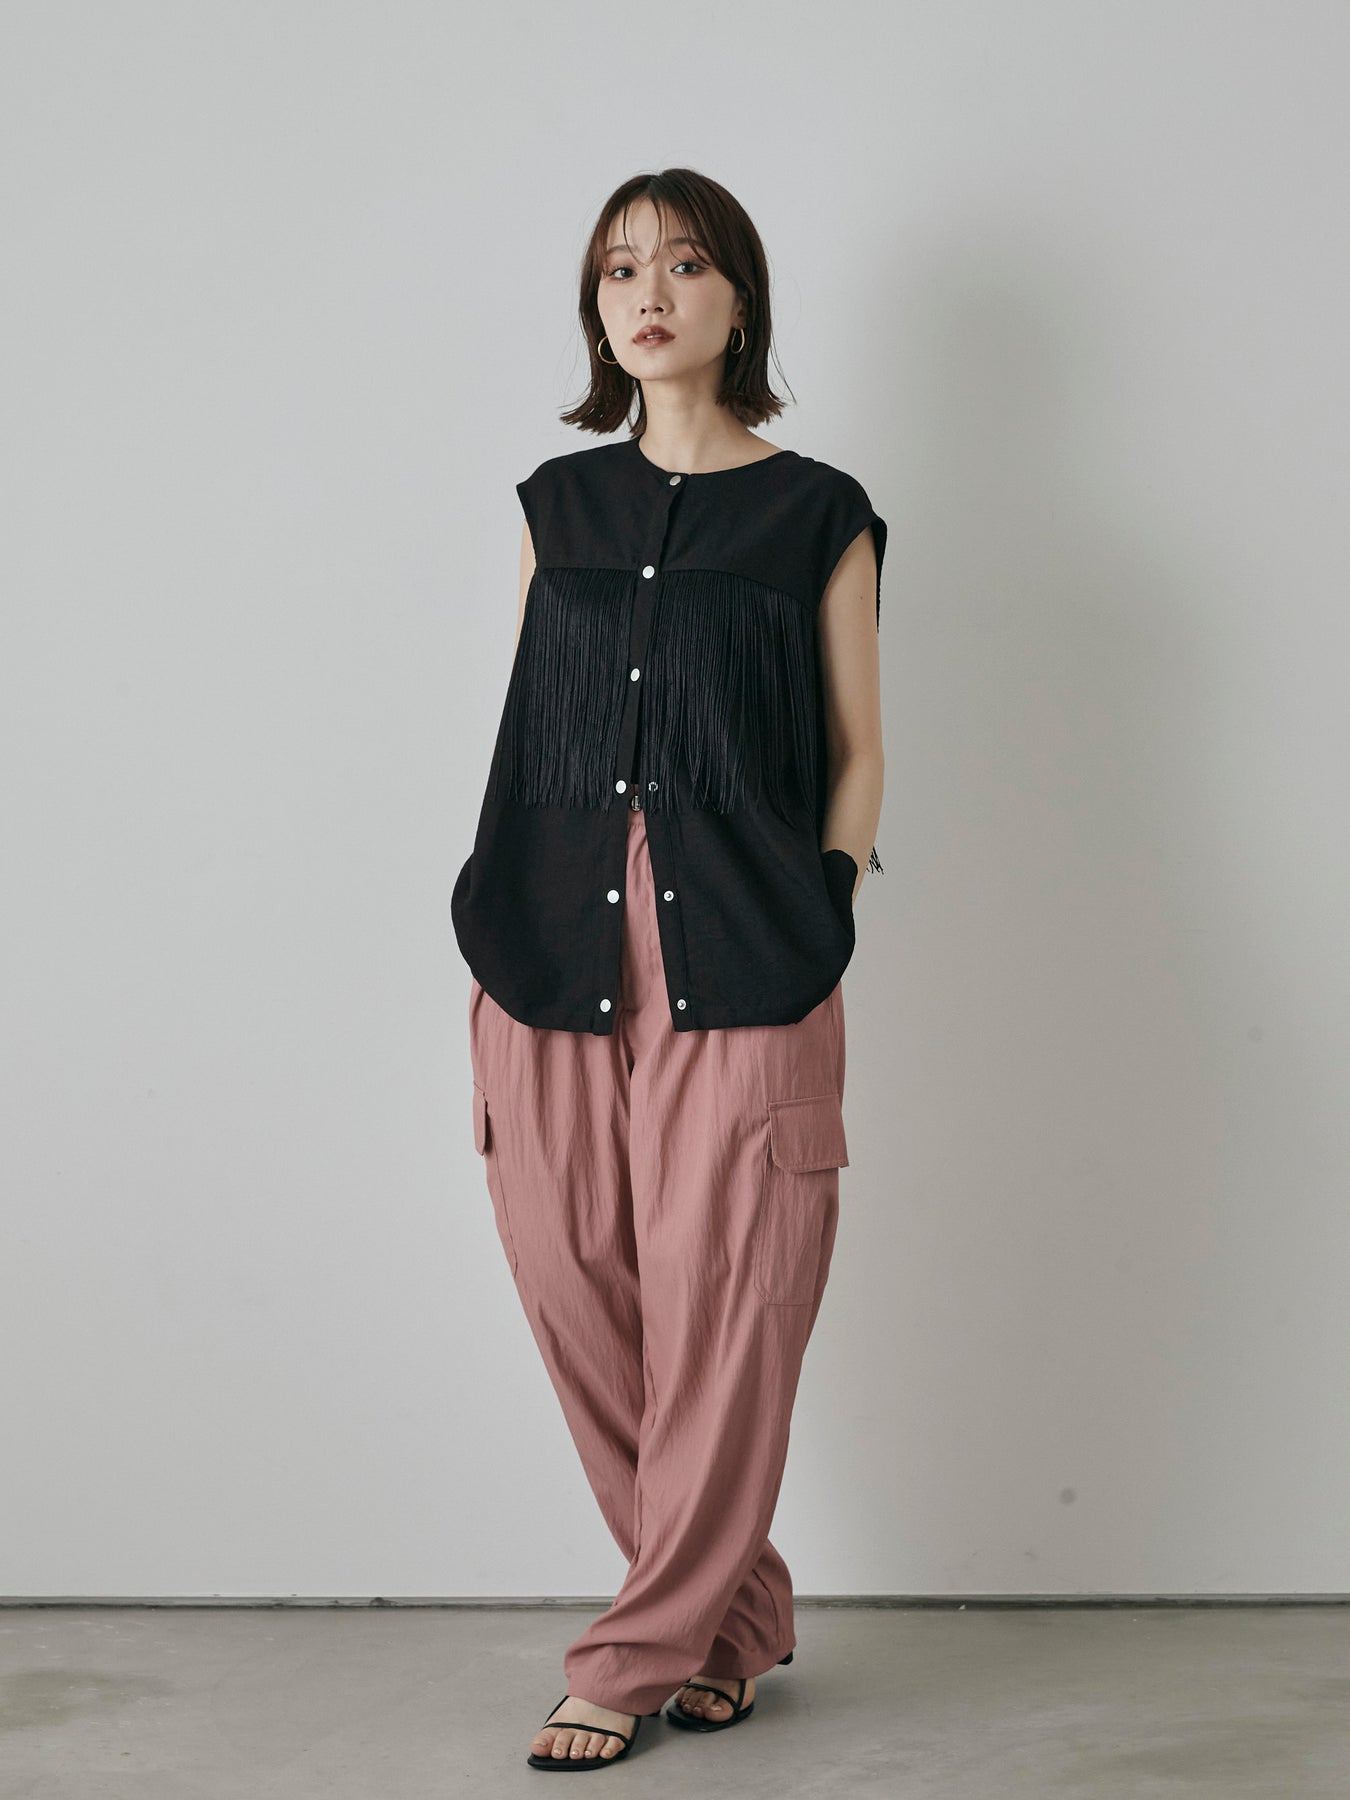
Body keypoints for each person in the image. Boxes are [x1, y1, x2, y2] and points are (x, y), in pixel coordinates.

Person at [451, 167, 886, 1772]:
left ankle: (631, 1655)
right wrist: (495, 899)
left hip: (747, 952)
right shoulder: (553, 508)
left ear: (737, 301)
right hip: (545, 943)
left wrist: (824, 900)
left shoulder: (816, 512)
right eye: (619, 269)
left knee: (726, 1308)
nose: (649, 292)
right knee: (575, 1282)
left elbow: (858, 749)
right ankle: (734, 1619)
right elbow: (524, 727)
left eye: (685, 265)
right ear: (594, 308)